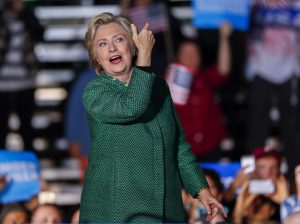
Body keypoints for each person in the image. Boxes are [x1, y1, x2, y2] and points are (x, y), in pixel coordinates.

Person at [79, 12, 226, 223]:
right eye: (102, 44)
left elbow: (179, 147)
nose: (112, 48)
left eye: (119, 40)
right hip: (117, 214)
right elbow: (132, 107)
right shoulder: (94, 91)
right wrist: (145, 59)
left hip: (167, 210)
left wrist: (201, 189)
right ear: (96, 57)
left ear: (132, 45)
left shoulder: (159, 88)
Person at [245, 0, 300, 177]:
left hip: (290, 69)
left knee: (292, 129)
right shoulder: (252, 4)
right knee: (257, 127)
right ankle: (253, 176)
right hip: (260, 68)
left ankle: (295, 179)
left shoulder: (296, 4)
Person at [169, 22, 232, 161]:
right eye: (186, 54)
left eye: (194, 53)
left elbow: (223, 70)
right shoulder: (168, 83)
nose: (191, 57)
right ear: (178, 57)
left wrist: (224, 38)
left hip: (210, 146)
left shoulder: (206, 77)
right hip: (183, 150)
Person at [0, 0, 44, 150]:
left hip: (26, 81)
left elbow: (40, 34)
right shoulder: (2, 18)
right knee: (2, 130)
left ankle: (29, 165)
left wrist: (26, 15)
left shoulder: (27, 18)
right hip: (3, 83)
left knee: (26, 129)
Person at [232, 146, 288, 223]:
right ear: (252, 170)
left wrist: (286, 202)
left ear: (278, 172)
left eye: (273, 168)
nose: (268, 173)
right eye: (261, 167)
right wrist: (234, 190)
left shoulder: (286, 195)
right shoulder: (239, 193)